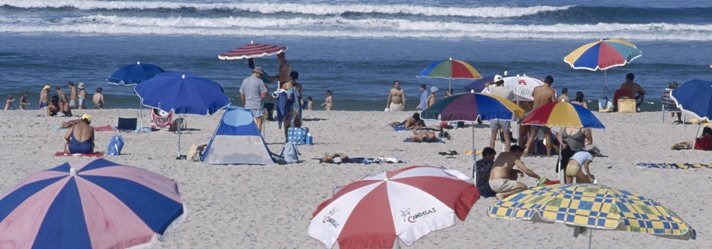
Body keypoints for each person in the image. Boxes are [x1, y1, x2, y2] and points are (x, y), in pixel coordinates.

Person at [523, 75, 556, 157]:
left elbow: (533, 95)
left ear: (544, 81)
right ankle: (548, 153)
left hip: (535, 113)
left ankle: (526, 149)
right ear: (551, 83)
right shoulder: (551, 91)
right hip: (544, 115)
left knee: (532, 134)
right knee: (547, 134)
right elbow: (554, 103)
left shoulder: (536, 88)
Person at [487, 75, 514, 152]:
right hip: (504, 115)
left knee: (493, 136)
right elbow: (512, 98)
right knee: (507, 137)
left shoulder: (492, 89)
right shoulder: (509, 91)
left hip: (494, 115)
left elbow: (487, 84)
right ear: (503, 82)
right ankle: (508, 154)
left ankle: (491, 153)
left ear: (496, 83)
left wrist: (493, 83)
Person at [240, 66, 268, 132]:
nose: (261, 77)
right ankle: (258, 137)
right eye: (261, 75)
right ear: (258, 73)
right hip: (257, 105)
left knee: (249, 121)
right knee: (259, 120)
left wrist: (244, 103)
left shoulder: (245, 80)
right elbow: (264, 94)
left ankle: (250, 136)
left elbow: (241, 93)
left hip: (248, 105)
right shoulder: (260, 81)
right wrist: (263, 96)